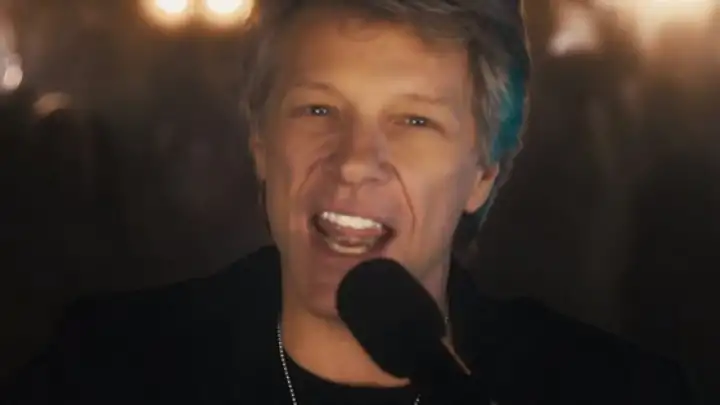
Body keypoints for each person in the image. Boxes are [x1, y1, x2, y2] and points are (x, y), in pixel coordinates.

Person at [2, 0, 698, 404]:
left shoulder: (612, 390)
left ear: (484, 172)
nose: (356, 159)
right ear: (260, 142)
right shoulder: (104, 371)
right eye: (318, 109)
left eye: (415, 120)